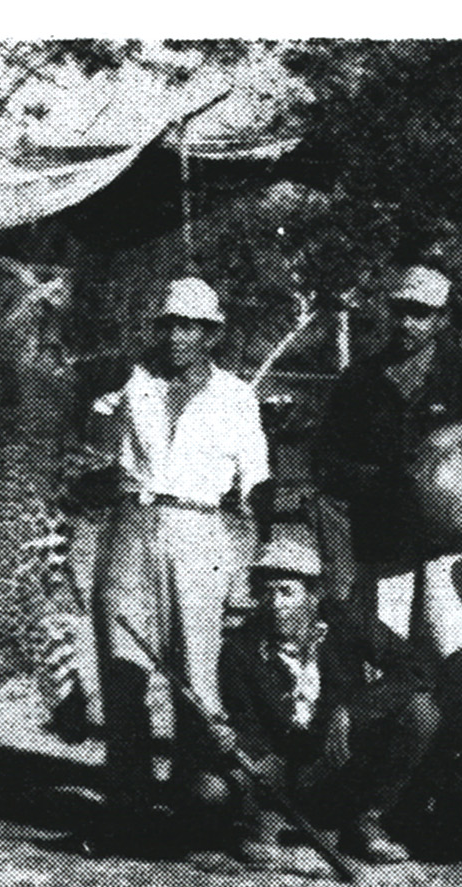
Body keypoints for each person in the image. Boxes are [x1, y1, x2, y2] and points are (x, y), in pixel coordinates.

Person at [81, 277, 269, 852]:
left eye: (190, 327)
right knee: (123, 673)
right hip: (131, 526)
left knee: (197, 679)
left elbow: (256, 483)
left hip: (199, 531)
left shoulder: (236, 395)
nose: (176, 337)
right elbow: (90, 444)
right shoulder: (131, 383)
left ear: (211, 335)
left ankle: (197, 806)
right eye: (167, 325)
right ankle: (128, 808)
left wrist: (250, 561)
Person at [312, 262, 462, 717]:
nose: (407, 323)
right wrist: (383, 482)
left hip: (454, 542)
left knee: (457, 653)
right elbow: (325, 462)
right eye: (400, 310)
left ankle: (457, 754)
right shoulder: (360, 379)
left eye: (420, 313)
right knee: (395, 660)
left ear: (441, 319)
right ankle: (400, 752)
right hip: (386, 541)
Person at [190, 533, 440, 872]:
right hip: (281, 770)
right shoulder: (240, 648)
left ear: (313, 594)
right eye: (267, 592)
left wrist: (354, 710)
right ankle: (257, 825)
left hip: (345, 763)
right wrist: (233, 742)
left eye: (286, 592)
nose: (275, 603)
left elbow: (415, 668)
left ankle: (367, 821)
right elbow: (247, 727)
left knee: (420, 712)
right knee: (211, 790)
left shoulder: (345, 620)